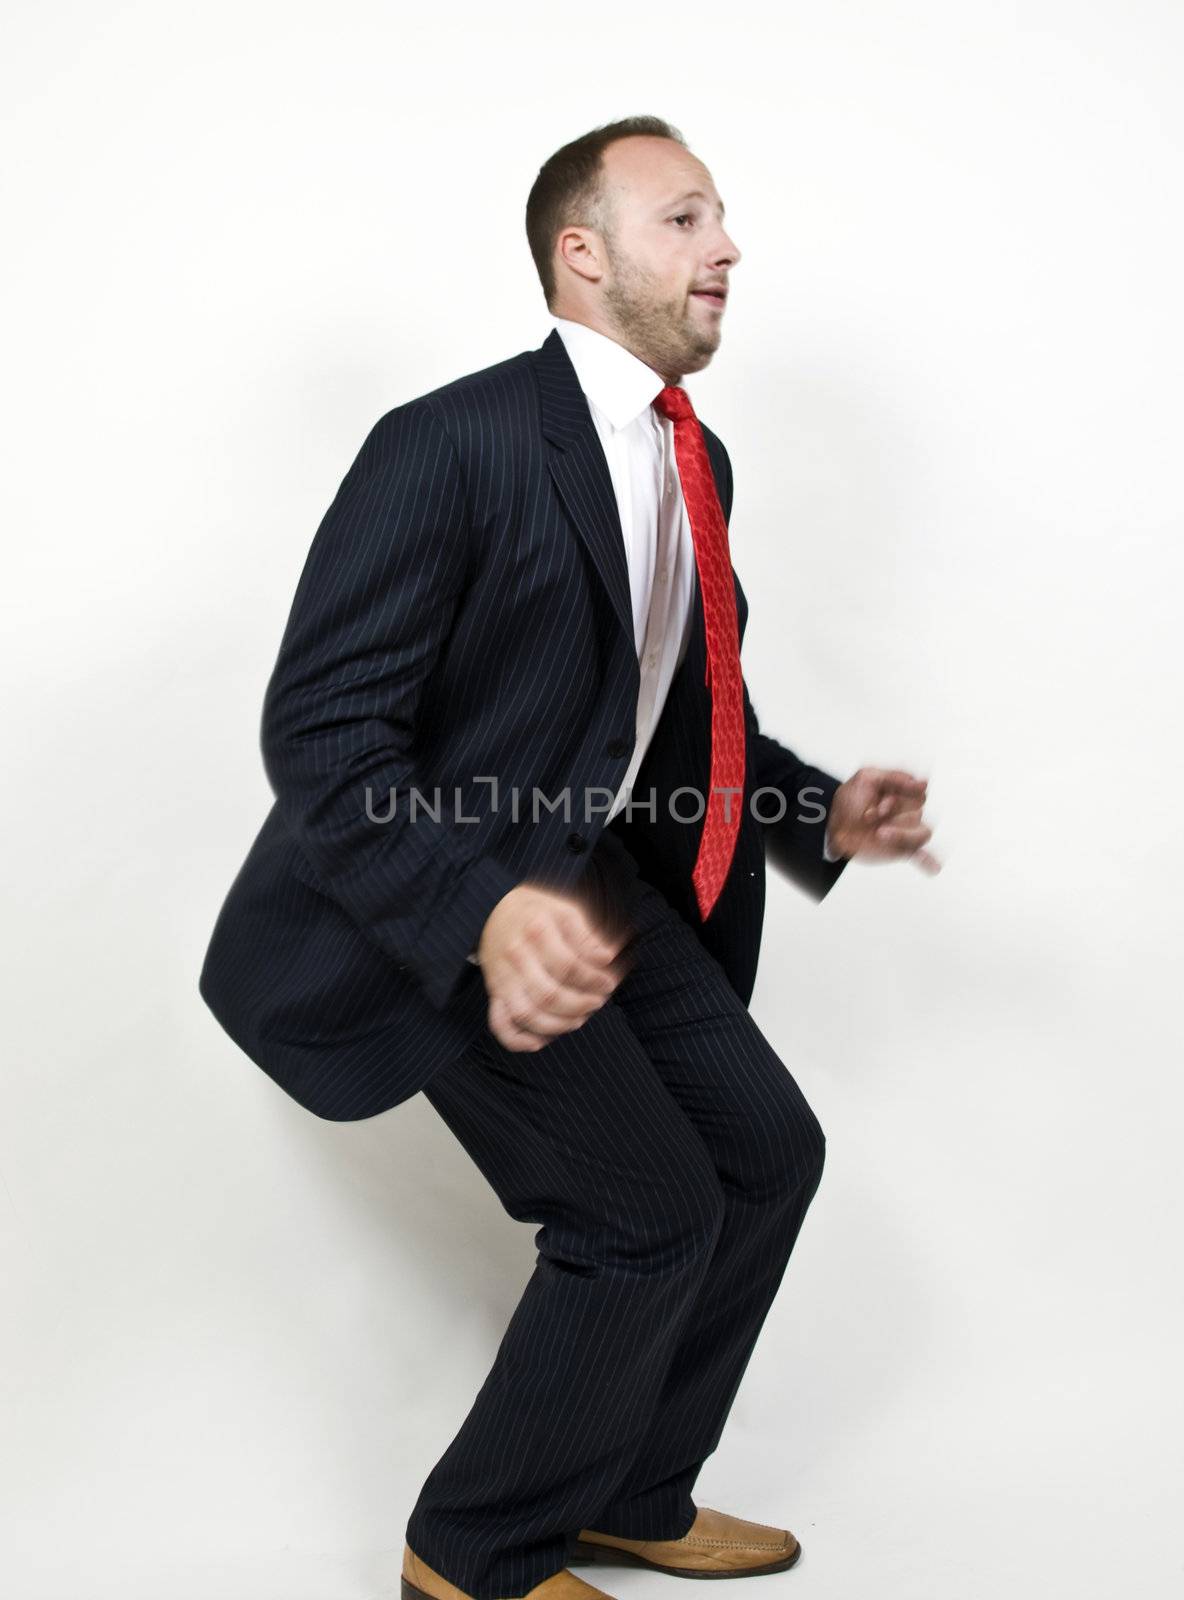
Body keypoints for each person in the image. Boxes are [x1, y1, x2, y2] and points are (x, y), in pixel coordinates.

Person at [199, 113, 939, 1600]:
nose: (725, 247)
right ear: (581, 253)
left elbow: (662, 724)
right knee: (641, 1210)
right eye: (684, 221)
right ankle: (471, 1549)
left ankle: (631, 1491)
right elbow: (327, 731)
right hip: (444, 904)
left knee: (765, 1156)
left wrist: (814, 813)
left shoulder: (694, 457)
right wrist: (477, 919)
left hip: (599, 885)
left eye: (722, 220)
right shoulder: (449, 442)